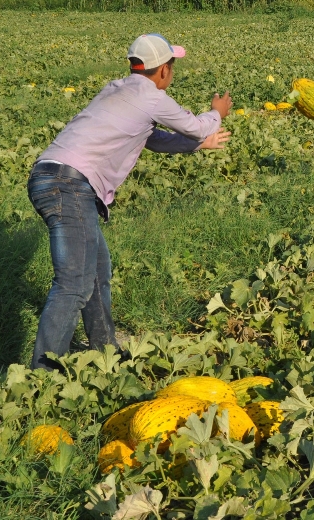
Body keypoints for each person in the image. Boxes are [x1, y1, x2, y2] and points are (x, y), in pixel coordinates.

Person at [26, 33, 232, 370]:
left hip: (51, 175)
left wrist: (198, 146)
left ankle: (106, 350)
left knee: (96, 270)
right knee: (74, 284)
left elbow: (153, 140)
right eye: (172, 65)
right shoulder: (151, 97)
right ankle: (42, 374)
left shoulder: (116, 89)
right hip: (70, 185)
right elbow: (196, 127)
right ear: (163, 70)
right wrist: (216, 113)